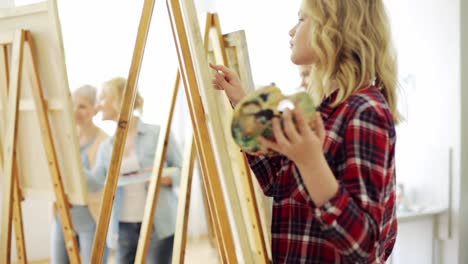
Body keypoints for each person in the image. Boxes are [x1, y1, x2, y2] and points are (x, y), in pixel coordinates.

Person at [210, 0, 399, 262]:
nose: (291, 31)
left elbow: (365, 246)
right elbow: (278, 181)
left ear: (334, 31)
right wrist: (244, 105)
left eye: (301, 19)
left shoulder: (364, 111)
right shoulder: (324, 108)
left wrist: (311, 162)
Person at [86, 77, 182, 264]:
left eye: (103, 98)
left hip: (159, 222)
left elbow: (182, 171)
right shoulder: (107, 147)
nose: (98, 105)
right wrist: (70, 165)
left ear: (119, 100)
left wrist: (164, 178)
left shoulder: (158, 134)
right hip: (123, 225)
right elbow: (95, 182)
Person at [51, 85, 109, 264]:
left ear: (95, 109)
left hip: (91, 217)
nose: (76, 111)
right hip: (64, 214)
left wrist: (68, 163)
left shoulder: (105, 141)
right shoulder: (66, 137)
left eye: (82, 106)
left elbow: (96, 184)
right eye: (73, 105)